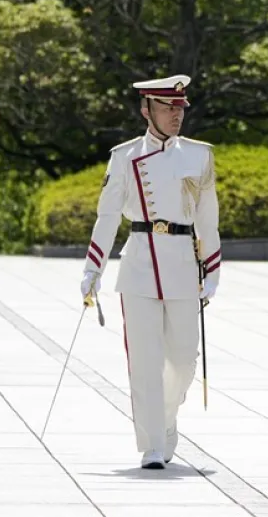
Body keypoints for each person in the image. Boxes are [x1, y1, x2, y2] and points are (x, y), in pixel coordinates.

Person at [79, 75, 221, 470]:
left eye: (180, 108)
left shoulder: (199, 155)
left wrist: (212, 269)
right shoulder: (123, 156)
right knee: (143, 359)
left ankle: (167, 417)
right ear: (146, 110)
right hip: (140, 261)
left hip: (181, 261)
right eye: (167, 108)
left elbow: (208, 218)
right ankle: (152, 444)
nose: (176, 115)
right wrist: (94, 268)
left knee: (183, 360)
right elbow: (107, 216)